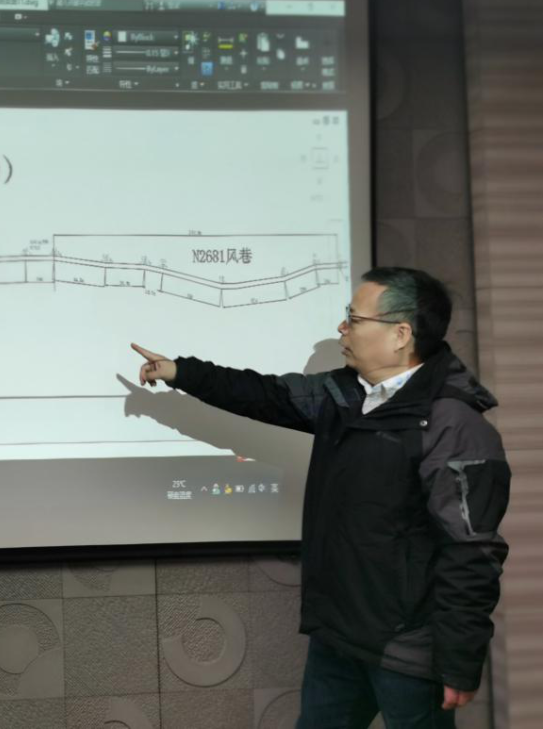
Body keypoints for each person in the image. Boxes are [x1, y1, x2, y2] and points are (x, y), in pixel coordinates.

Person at [133, 267, 510, 728]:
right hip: (338, 636)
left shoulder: (453, 425)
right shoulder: (345, 394)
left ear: (400, 335)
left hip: (407, 648)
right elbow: (265, 394)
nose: (341, 328)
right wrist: (181, 372)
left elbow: (472, 553)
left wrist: (460, 659)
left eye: (355, 319)